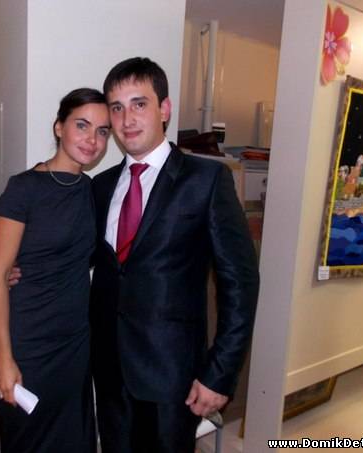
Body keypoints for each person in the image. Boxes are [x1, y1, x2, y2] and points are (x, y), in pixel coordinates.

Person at [89, 57, 260, 452]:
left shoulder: (207, 180)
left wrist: (220, 373)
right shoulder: (100, 186)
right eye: (117, 108)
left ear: (164, 109)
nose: (127, 119)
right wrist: (26, 271)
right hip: (110, 370)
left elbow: (240, 284)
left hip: (173, 377)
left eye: (139, 103)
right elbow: (92, 262)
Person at [0, 88, 111, 452]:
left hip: (75, 341)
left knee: (74, 438)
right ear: (59, 127)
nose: (92, 140)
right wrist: (3, 357)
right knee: (29, 439)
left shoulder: (92, 190)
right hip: (30, 341)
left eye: (102, 131)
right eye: (82, 125)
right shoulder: (24, 188)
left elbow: (86, 256)